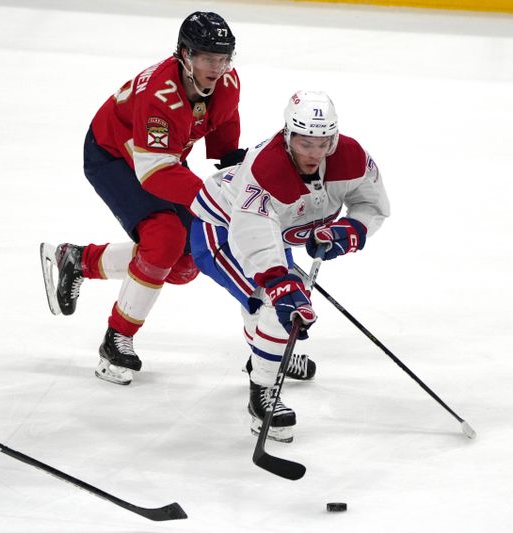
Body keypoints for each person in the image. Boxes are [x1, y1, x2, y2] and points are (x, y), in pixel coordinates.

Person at [40, 12, 245, 386]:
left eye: (224, 58)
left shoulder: (227, 81)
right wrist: (213, 198)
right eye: (207, 58)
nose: (217, 67)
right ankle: (116, 339)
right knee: (164, 239)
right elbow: (154, 173)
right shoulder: (159, 95)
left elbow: (225, 120)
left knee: (185, 263)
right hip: (113, 156)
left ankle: (78, 259)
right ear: (185, 54)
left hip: (160, 158)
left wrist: (231, 163)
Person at [188, 91, 390, 443]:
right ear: (287, 134)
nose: (315, 153)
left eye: (324, 143)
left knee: (288, 304)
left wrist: (349, 230)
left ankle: (267, 356)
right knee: (279, 302)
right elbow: (252, 237)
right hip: (220, 228)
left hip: (272, 231)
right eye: (305, 142)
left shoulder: (352, 157)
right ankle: (262, 393)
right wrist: (279, 283)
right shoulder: (266, 169)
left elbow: (370, 204)